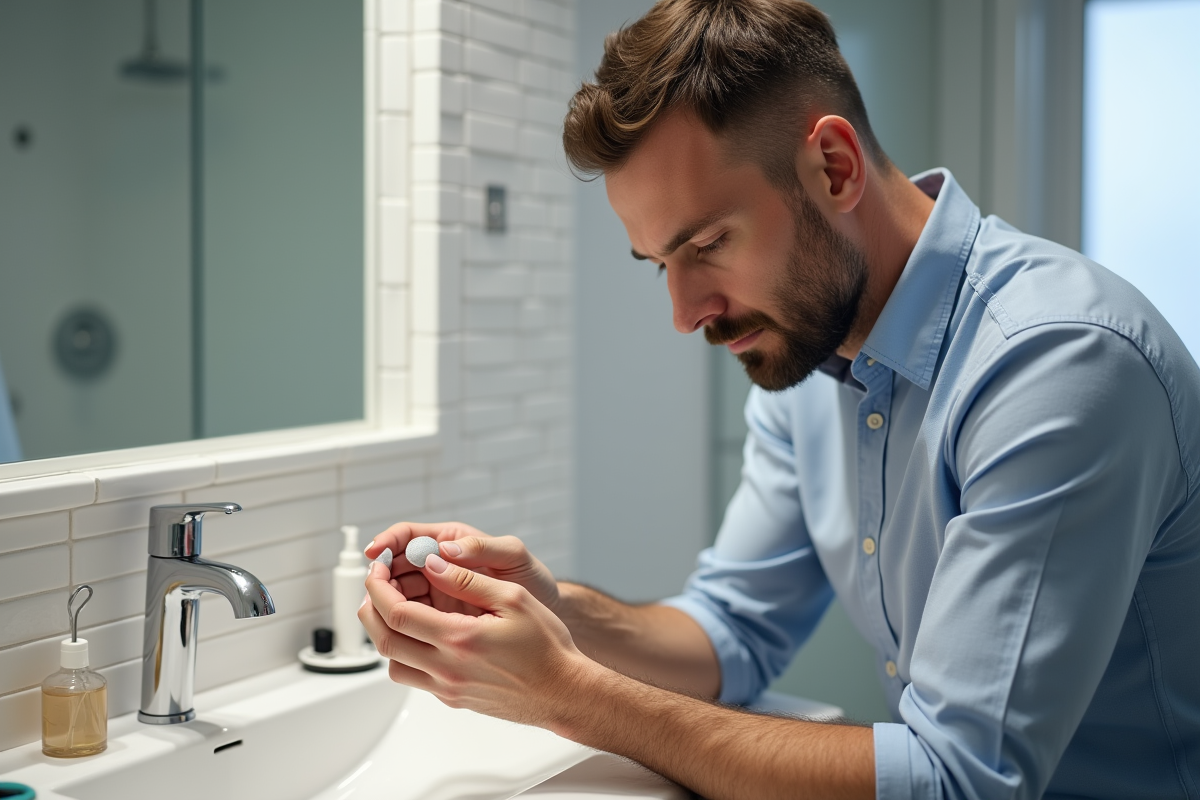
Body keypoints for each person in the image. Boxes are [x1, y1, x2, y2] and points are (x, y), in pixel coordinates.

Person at [359, 1, 1200, 797]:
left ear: (833, 168)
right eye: (660, 264)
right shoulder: (812, 354)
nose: (686, 314)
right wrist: (557, 609)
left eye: (709, 243)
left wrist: (571, 695)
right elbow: (733, 630)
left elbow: (960, 779)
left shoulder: (1057, 364)